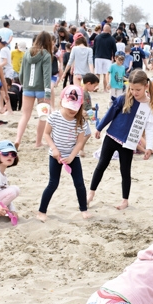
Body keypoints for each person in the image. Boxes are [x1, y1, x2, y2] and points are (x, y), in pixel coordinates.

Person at [88, 70, 153, 210]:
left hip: (129, 143)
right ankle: (91, 194)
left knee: (125, 172)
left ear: (146, 86)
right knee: (101, 165)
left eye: (138, 89)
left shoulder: (149, 106)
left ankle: (125, 200)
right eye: (131, 88)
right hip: (112, 137)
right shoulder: (124, 98)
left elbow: (149, 128)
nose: (134, 92)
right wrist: (99, 128)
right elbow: (110, 114)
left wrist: (149, 147)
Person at [37, 85, 92, 221]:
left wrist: (72, 156)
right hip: (55, 156)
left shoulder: (80, 121)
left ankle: (83, 209)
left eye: (75, 107)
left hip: (72, 156)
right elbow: (46, 134)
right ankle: (41, 211)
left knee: (79, 183)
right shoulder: (54, 117)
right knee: (53, 183)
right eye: (69, 107)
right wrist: (54, 149)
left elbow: (80, 142)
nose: (72, 110)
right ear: (62, 102)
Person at [15, 32, 54, 149]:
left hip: (27, 88)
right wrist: (48, 93)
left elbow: (21, 73)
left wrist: (23, 84)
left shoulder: (27, 52)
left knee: (25, 115)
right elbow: (47, 76)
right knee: (43, 116)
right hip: (41, 89)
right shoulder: (46, 55)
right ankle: (38, 142)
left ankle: (17, 139)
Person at [94, 24, 117, 92]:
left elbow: (94, 48)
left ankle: (96, 86)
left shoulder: (97, 37)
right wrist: (114, 58)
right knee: (105, 74)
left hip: (98, 57)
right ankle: (105, 89)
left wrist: (94, 55)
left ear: (103, 29)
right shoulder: (112, 39)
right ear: (109, 30)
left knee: (97, 73)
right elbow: (114, 50)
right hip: (107, 58)